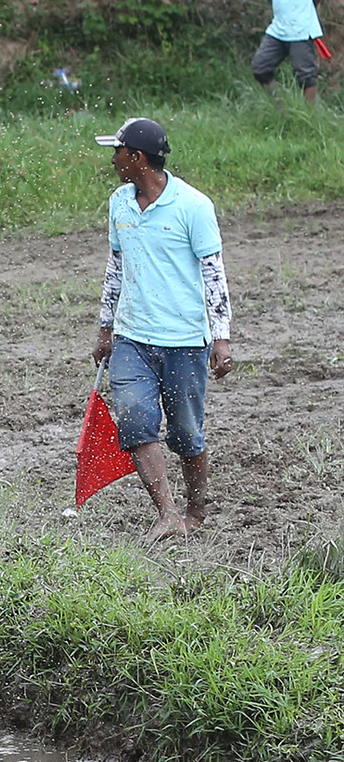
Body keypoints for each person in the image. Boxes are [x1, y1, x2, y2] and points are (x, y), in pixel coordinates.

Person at [91, 116, 231, 542]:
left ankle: (196, 508)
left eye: (117, 151)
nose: (112, 159)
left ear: (136, 157)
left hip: (185, 342)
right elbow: (116, 268)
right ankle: (167, 512)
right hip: (133, 337)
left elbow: (214, 275)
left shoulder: (193, 207)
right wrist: (105, 327)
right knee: (135, 421)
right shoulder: (120, 202)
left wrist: (221, 337)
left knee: (187, 434)